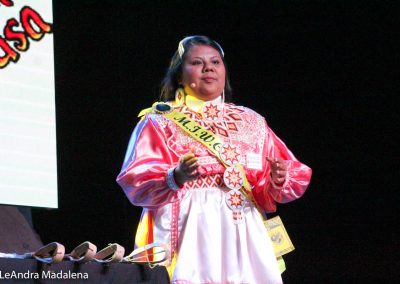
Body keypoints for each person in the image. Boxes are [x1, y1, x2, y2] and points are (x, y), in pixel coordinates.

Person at [117, 35, 312, 284]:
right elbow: (136, 178)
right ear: (179, 75)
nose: (208, 67)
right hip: (190, 231)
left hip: (245, 230)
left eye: (215, 62)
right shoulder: (159, 121)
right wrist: (175, 176)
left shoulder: (251, 121)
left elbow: (280, 180)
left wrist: (277, 178)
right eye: (197, 62)